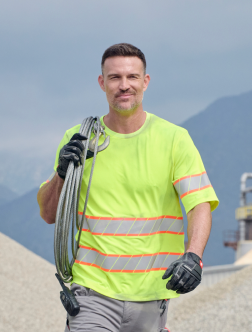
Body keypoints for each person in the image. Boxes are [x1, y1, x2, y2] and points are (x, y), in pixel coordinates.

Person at [36, 43, 219, 332]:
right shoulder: (79, 139)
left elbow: (199, 204)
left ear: (145, 82)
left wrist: (194, 256)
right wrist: (61, 173)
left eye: (132, 77)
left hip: (152, 295)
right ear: (102, 83)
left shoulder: (174, 139)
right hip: (92, 294)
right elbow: (49, 213)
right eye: (115, 78)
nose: (124, 86)